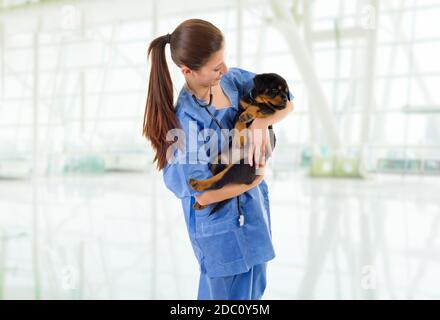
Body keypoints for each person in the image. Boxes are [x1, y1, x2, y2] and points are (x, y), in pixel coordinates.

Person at [142, 18, 294, 300]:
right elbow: (205, 196)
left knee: (255, 294)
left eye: (223, 60)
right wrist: (257, 177)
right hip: (220, 233)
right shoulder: (187, 121)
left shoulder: (234, 81)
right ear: (188, 71)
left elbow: (288, 103)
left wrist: (260, 123)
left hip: (254, 219)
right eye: (215, 67)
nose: (224, 69)